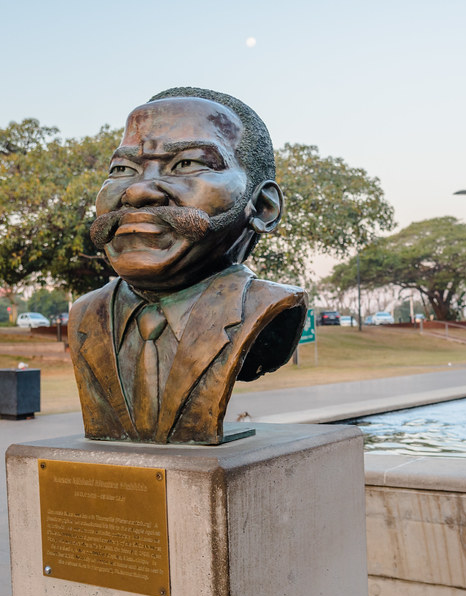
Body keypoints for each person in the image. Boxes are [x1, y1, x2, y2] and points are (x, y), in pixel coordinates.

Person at [69, 87, 306, 445]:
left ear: (263, 208)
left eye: (188, 163)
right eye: (123, 169)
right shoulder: (85, 315)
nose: (138, 191)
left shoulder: (267, 306)